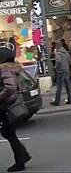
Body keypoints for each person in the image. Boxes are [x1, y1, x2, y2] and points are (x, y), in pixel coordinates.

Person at [0, 44, 32, 172]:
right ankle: (23, 156)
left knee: (9, 133)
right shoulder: (12, 68)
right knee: (9, 133)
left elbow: (10, 87)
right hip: (10, 105)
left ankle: (20, 161)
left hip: (5, 106)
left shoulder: (4, 69)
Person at [50, 42, 71, 106]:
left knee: (59, 87)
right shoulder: (66, 53)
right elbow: (70, 61)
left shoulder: (58, 53)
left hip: (60, 71)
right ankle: (70, 100)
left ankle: (57, 101)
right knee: (68, 86)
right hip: (66, 70)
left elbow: (58, 61)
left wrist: (56, 67)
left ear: (57, 47)